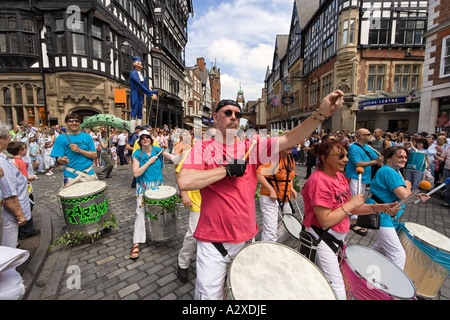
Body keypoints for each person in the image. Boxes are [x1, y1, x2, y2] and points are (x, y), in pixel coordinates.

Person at [177, 91, 345, 300]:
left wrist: (319, 114)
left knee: (245, 294)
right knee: (209, 299)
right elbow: (185, 180)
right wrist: (226, 170)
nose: (233, 117)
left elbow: (288, 139)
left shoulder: (252, 147)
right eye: (227, 112)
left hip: (247, 240)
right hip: (213, 242)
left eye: (237, 115)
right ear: (215, 117)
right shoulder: (202, 148)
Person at [301, 139, 400, 300]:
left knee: (334, 280)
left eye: (346, 155)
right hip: (322, 238)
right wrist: (350, 204)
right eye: (340, 156)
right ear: (324, 158)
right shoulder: (319, 181)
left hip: (336, 238)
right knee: (336, 285)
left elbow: (351, 208)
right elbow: (325, 220)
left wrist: (379, 207)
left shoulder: (339, 176)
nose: (346, 160)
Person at [366, 146, 430, 268]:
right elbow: (404, 195)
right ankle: (393, 284)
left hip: (387, 214)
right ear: (389, 159)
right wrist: (408, 185)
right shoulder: (388, 171)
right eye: (400, 156)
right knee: (397, 254)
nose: (404, 159)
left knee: (380, 247)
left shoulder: (394, 171)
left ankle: (363, 269)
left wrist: (417, 196)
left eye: (405, 157)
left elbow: (400, 196)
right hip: (381, 214)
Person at [130, 130, 179, 260]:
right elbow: (136, 174)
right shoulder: (137, 154)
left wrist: (187, 151)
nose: (145, 139)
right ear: (139, 141)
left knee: (159, 211)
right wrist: (148, 162)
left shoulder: (158, 150)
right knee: (140, 212)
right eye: (142, 138)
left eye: (147, 137)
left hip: (158, 186)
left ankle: (159, 233)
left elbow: (174, 158)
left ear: (151, 139)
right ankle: (136, 242)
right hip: (143, 188)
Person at [345, 128, 384, 236]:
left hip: (364, 177)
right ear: (361, 136)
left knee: (360, 198)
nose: (370, 136)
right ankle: (353, 222)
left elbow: (377, 158)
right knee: (356, 198)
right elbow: (358, 163)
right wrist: (375, 161)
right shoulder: (353, 148)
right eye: (368, 134)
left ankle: (355, 219)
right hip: (354, 176)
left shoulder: (368, 147)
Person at [257, 146, 297, 242]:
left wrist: (291, 188)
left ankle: (271, 243)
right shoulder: (274, 159)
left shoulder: (290, 159)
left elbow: (289, 177)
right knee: (270, 229)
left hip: (285, 197)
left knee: (288, 224)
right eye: (288, 144)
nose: (291, 146)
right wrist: (271, 190)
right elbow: (259, 174)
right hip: (269, 198)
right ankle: (268, 246)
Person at [0, 122, 29, 248]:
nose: (10, 139)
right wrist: (19, 213)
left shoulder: (3, 157)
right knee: (8, 250)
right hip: (7, 217)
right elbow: (8, 193)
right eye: (8, 137)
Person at [51, 113, 97, 187]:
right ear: (66, 123)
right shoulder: (60, 138)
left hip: (88, 173)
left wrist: (79, 150)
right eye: (71, 121)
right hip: (70, 175)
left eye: (76, 121)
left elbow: (94, 155)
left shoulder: (87, 137)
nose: (74, 123)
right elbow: (58, 159)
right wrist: (62, 160)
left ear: (80, 123)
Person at [6, 141, 39, 240]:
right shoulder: (22, 163)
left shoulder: (11, 161)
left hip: (17, 190)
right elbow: (24, 177)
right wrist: (32, 177)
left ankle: (22, 230)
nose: (26, 150)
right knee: (28, 207)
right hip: (25, 189)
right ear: (21, 151)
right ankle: (27, 230)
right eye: (25, 148)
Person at [129, 57, 159, 132]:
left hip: (141, 96)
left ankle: (139, 130)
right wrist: (151, 93)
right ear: (134, 64)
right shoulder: (133, 74)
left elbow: (145, 87)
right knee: (134, 112)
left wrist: (152, 94)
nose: (139, 66)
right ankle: (132, 131)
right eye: (138, 64)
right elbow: (140, 85)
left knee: (140, 112)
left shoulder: (143, 77)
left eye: (140, 64)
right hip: (135, 95)